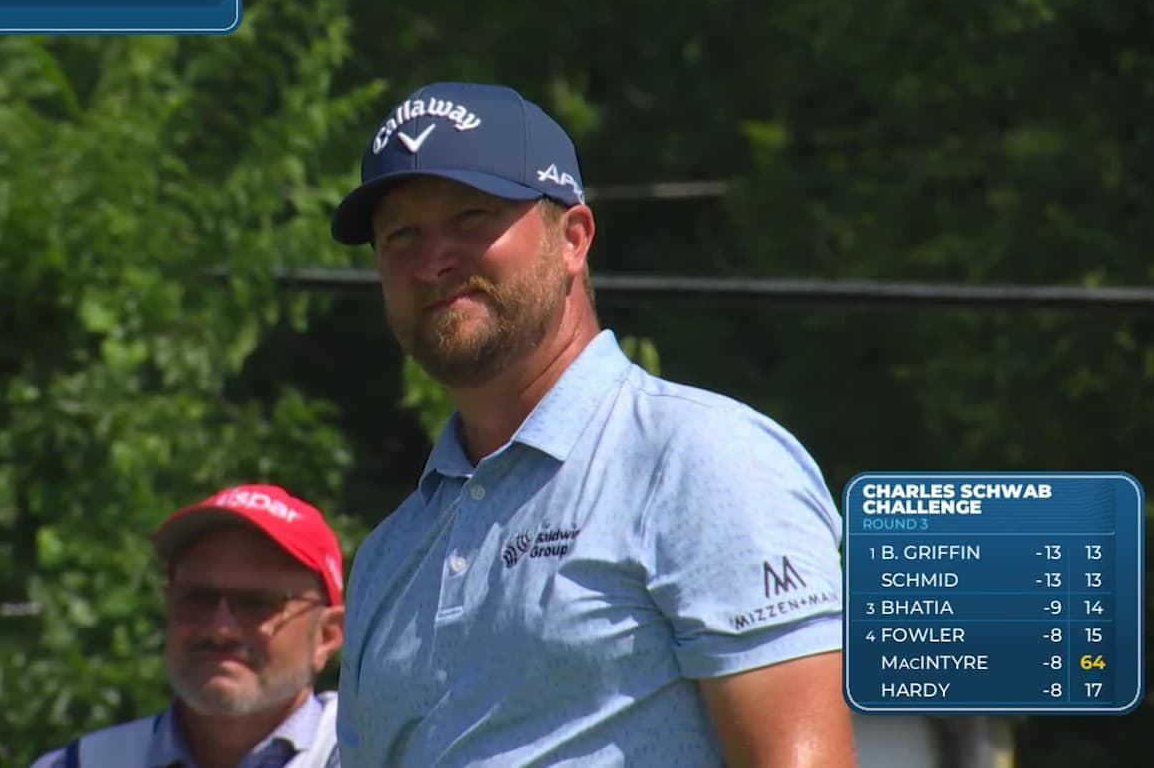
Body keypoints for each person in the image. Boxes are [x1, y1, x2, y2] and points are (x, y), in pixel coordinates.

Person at [328, 81, 857, 767]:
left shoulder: (702, 462)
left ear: (573, 238)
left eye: (470, 217)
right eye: (402, 235)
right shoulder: (388, 555)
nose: (434, 261)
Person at [29, 484, 346, 768]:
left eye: (257, 604)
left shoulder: (370, 757)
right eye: (198, 599)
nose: (221, 629)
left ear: (326, 636)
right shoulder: (80, 764)